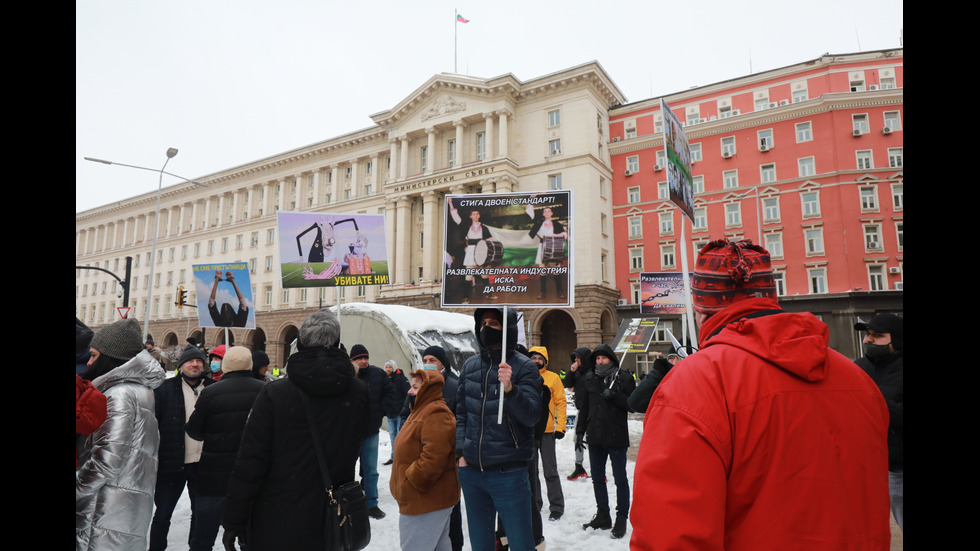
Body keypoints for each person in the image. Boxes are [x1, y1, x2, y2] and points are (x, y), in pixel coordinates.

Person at [630, 238, 891, 550]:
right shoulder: (858, 379)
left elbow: (671, 535)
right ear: (772, 299)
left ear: (701, 311)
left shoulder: (696, 382)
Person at [222, 308, 370, 551]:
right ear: (336, 343)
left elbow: (251, 461)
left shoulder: (275, 394)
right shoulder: (358, 391)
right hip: (333, 519)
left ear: (300, 343)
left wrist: (234, 519)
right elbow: (360, 436)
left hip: (279, 518)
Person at [76, 317, 166, 550]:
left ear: (110, 357)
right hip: (121, 510)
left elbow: (107, 461)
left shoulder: (118, 395)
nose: (88, 363)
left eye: (94, 356)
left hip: (103, 514)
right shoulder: (138, 390)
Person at [455, 308, 541, 551]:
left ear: (508, 330)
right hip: (472, 472)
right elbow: (461, 413)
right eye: (483, 323)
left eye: (494, 323)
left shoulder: (524, 367)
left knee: (521, 543)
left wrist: (511, 390)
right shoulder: (470, 366)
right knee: (481, 544)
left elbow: (532, 416)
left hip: (509, 473)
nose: (486, 328)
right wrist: (461, 454)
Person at [185, 346, 266, 551]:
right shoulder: (265, 390)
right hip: (252, 476)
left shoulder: (211, 392)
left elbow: (194, 431)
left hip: (213, 476)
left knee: (203, 535)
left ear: (225, 364)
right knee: (251, 536)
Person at [148, 344, 215, 551]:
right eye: (190, 361)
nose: (194, 365)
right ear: (181, 365)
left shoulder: (213, 388)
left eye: (198, 361)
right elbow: (154, 426)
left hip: (203, 464)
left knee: (200, 513)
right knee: (162, 515)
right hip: (172, 463)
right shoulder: (164, 390)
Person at [390, 368, 461, 551]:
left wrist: (411, 482)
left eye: (415, 387)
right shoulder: (420, 410)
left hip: (425, 500)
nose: (409, 391)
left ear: (427, 389)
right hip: (424, 500)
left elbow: (433, 457)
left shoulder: (435, 412)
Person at [580, 344, 635, 539]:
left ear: (611, 359)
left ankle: (621, 518)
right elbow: (584, 408)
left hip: (616, 436)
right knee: (597, 478)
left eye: (603, 358)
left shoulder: (624, 379)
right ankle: (603, 514)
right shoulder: (590, 378)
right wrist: (579, 434)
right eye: (597, 359)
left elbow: (631, 405)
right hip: (595, 436)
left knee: (620, 479)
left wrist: (615, 397)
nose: (600, 362)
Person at [854, 313, 904, 532]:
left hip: (899, 467)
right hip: (872, 467)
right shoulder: (858, 368)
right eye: (868, 334)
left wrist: (876, 401)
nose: (869, 340)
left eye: (878, 335)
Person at [350, 343, 400, 519]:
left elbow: (391, 394)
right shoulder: (348, 376)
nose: (363, 361)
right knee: (348, 469)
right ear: (352, 361)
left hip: (371, 431)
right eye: (359, 358)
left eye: (366, 357)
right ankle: (349, 502)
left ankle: (372, 503)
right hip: (350, 433)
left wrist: (381, 411)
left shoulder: (378, 374)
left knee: (371, 470)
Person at [421, 345, 464, 551]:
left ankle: (455, 546)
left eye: (433, 360)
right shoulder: (419, 385)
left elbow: (462, 421)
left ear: (443, 364)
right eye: (425, 360)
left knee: (450, 508)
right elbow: (406, 413)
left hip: (448, 460)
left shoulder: (454, 386)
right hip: (422, 458)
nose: (428, 364)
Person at [527, 346, 567, 521]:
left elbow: (561, 402)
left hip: (547, 432)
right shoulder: (525, 376)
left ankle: (557, 506)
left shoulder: (553, 378)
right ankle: (535, 504)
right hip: (529, 431)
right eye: (533, 358)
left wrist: (561, 427)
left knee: (550, 471)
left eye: (539, 358)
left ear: (545, 360)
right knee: (532, 471)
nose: (537, 361)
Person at [449, 200, 498, 302]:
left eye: (477, 214)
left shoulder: (483, 228)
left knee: (484, 274)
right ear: (470, 216)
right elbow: (456, 218)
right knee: (469, 275)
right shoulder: (466, 226)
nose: (475, 215)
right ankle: (466, 297)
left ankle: (488, 294)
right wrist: (450, 204)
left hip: (481, 250)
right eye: (473, 214)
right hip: (471, 251)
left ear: (479, 216)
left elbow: (490, 239)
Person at [525, 204, 568, 300]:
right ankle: (542, 292)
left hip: (554, 247)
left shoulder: (557, 224)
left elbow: (564, 234)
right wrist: (531, 201)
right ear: (543, 214)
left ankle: (560, 291)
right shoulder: (539, 223)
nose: (547, 213)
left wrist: (558, 235)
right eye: (545, 211)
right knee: (542, 270)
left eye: (549, 211)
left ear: (552, 213)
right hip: (542, 246)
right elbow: (530, 213)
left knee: (556, 271)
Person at [562, 346, 593, 481]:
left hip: (593, 411)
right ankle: (579, 466)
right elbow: (568, 385)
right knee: (578, 439)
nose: (576, 360)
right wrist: (571, 371)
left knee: (592, 440)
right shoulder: (578, 372)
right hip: (581, 410)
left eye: (578, 358)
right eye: (574, 358)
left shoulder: (592, 372)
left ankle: (598, 468)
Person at [626, 347, 680, 414]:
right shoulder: (661, 380)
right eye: (671, 358)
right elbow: (635, 404)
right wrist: (657, 374)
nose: (674, 362)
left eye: (679, 358)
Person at [384, 359, 411, 466]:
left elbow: (408, 393)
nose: (388, 369)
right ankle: (393, 456)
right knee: (392, 435)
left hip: (400, 413)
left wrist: (405, 408)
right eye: (386, 367)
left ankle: (402, 457)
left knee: (401, 435)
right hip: (390, 413)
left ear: (394, 367)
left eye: (390, 367)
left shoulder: (401, 379)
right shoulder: (385, 380)